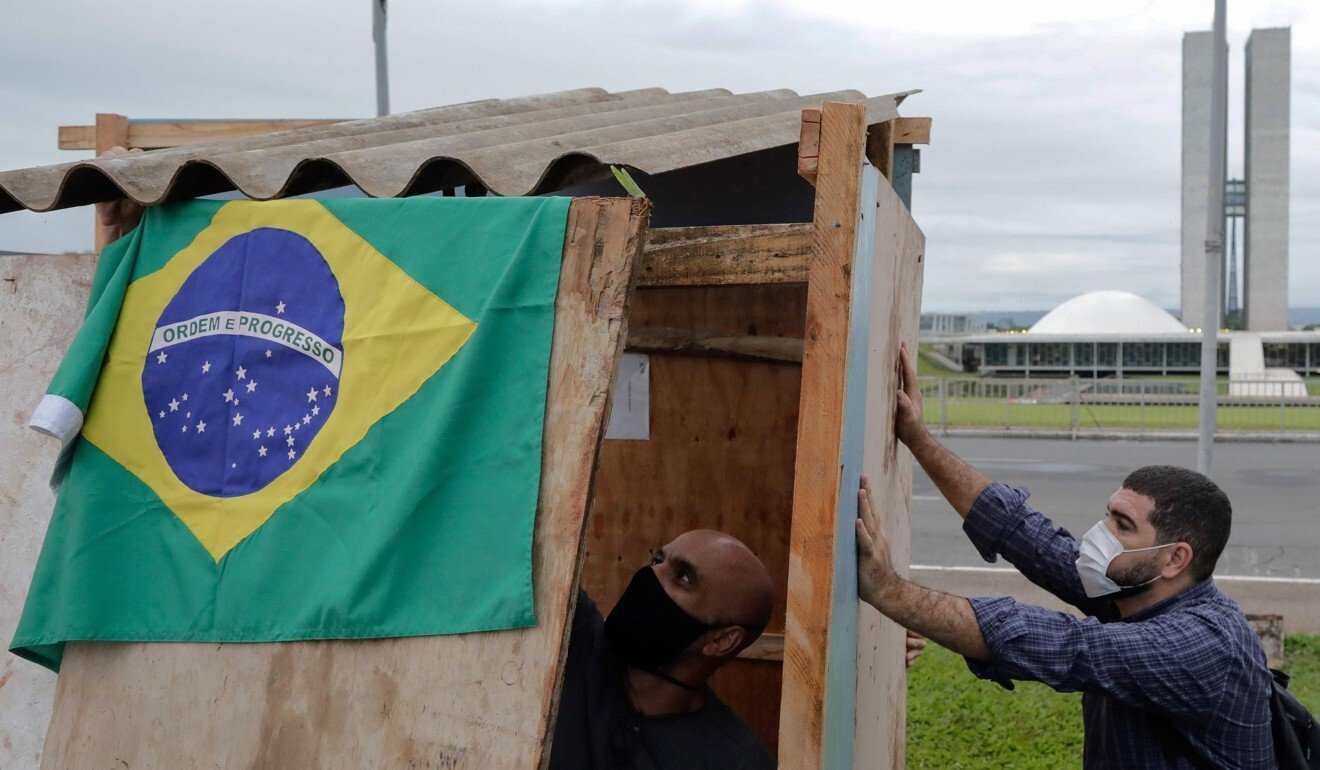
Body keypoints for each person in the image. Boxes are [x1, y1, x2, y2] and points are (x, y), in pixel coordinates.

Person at [854, 343, 1275, 769]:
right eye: (1107, 515)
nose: (1100, 534)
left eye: (1123, 525)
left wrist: (887, 590)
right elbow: (1024, 532)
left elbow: (1067, 645)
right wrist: (919, 439)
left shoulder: (1201, 645)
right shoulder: (1134, 589)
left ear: (1174, 559)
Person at [551, 528, 925, 769]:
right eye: (657, 560)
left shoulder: (734, 760)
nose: (650, 576)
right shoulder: (578, 647)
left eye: (682, 576)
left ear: (722, 640)